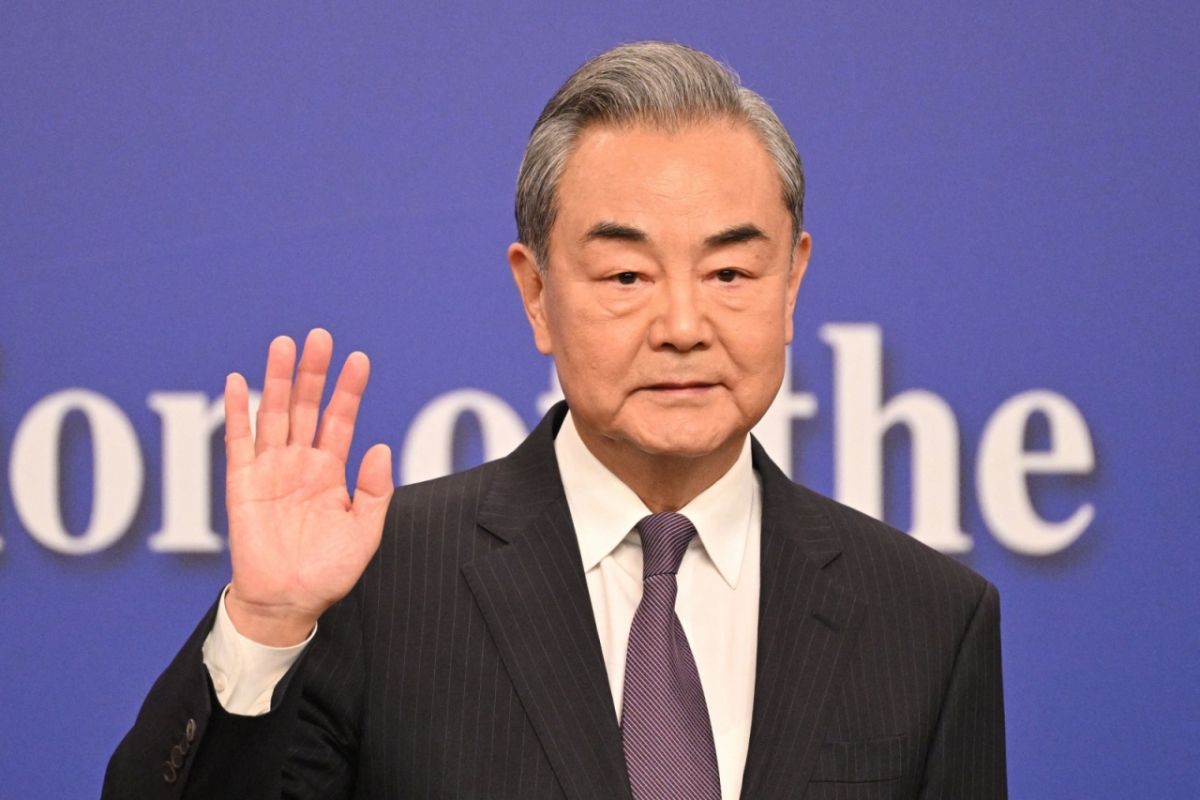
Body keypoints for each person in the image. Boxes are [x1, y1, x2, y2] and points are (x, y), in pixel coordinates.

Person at [102, 42, 1006, 800]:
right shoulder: (376, 586)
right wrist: (266, 625)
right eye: (626, 276)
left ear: (793, 282)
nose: (683, 326)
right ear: (536, 294)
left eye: (730, 274)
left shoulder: (929, 619)